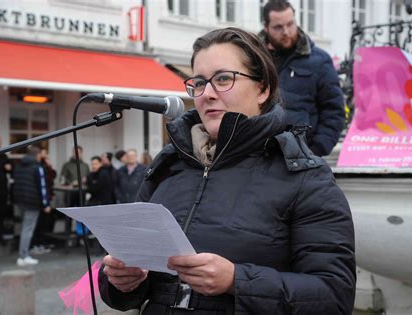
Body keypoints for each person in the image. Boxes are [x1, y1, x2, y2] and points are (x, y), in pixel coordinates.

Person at [98, 27, 355, 315]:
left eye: (223, 79)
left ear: (263, 89)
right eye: (198, 83)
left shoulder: (305, 176)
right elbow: (124, 286)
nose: (206, 94)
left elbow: (334, 297)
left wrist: (237, 280)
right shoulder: (168, 166)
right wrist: (122, 281)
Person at [262, 0, 345, 156]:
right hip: (259, 156)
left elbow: (334, 111)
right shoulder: (253, 59)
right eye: (278, 27)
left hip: (303, 157)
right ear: (266, 27)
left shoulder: (320, 60)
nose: (286, 32)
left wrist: (316, 150)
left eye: (290, 24)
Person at [13, 146, 51, 266]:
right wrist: (46, 204)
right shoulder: (37, 167)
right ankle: (23, 256)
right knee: (27, 229)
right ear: (37, 155)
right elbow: (43, 187)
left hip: (20, 201)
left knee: (24, 227)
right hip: (32, 202)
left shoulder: (19, 165)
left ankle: (23, 254)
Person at [31, 148, 57, 254]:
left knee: (47, 221)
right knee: (39, 223)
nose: (45, 155)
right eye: (43, 154)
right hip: (41, 199)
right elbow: (43, 183)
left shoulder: (45, 165)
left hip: (47, 196)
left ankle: (44, 241)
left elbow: (53, 175)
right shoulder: (38, 166)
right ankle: (37, 243)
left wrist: (49, 165)